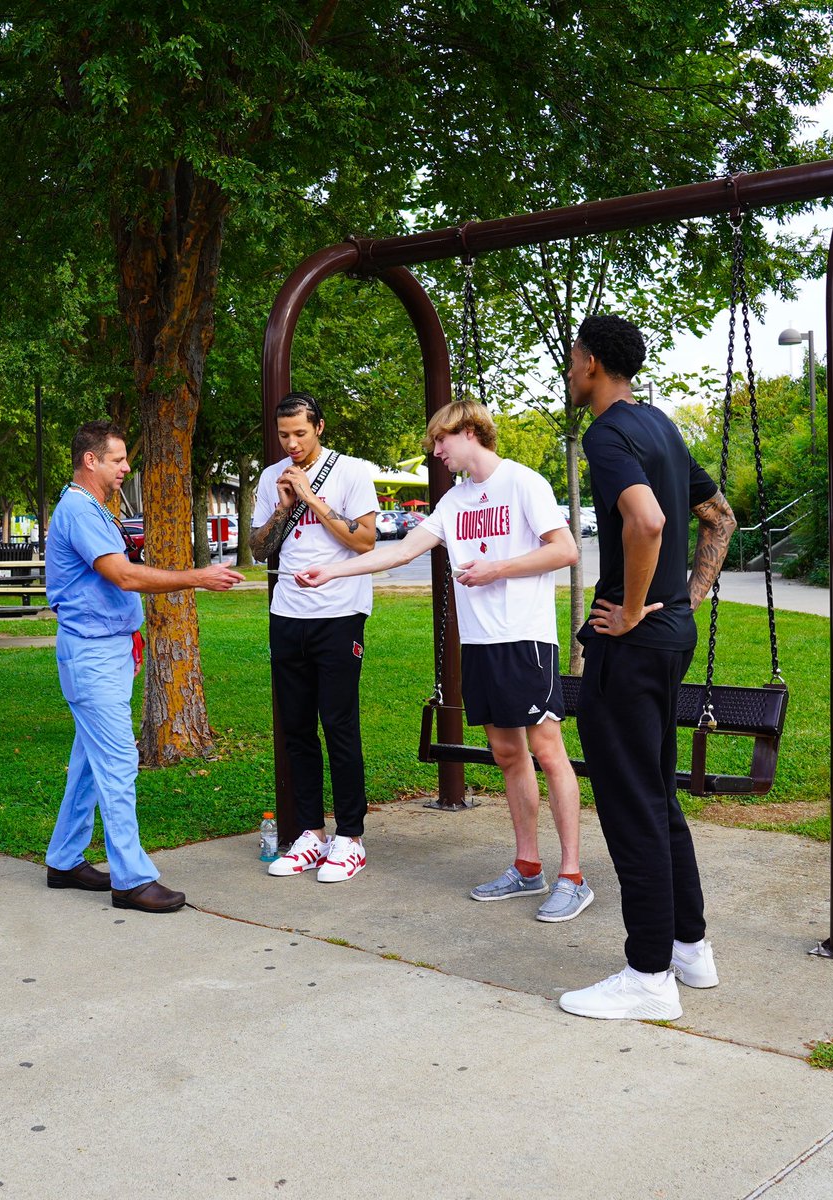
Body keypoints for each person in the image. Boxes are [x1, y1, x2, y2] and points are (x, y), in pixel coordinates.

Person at [297, 400, 591, 922]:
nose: (436, 452)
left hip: (525, 640)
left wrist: (498, 569)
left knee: (547, 750)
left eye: (441, 441)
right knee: (507, 754)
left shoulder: (524, 482)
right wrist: (333, 572)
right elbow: (403, 550)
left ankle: (573, 876)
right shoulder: (455, 500)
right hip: (479, 645)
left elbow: (565, 550)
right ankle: (528, 867)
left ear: (472, 432)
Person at [557, 314, 736, 1021]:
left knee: (631, 804)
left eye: (573, 360)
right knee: (656, 794)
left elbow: (649, 521)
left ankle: (649, 975)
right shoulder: (660, 424)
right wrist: (682, 599)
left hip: (631, 646)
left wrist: (634, 609)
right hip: (671, 638)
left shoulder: (606, 434)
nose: (570, 372)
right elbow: (719, 517)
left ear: (594, 363)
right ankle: (689, 948)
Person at [45, 420, 244, 913]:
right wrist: (196, 576)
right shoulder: (79, 510)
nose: (126, 467)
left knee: (91, 763)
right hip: (90, 656)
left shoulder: (95, 509)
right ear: (90, 460)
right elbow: (123, 575)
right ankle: (131, 880)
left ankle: (65, 860)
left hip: (105, 650)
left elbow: (106, 589)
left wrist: (130, 640)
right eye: (118, 460)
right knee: (117, 763)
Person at [251, 392, 378, 883]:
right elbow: (260, 549)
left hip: (340, 612)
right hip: (288, 612)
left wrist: (311, 498)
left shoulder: (351, 472)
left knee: (339, 724)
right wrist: (284, 507)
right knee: (297, 728)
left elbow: (364, 540)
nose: (291, 444)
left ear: (319, 427)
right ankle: (310, 832)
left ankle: (350, 836)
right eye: (284, 435)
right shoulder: (270, 478)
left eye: (300, 433)